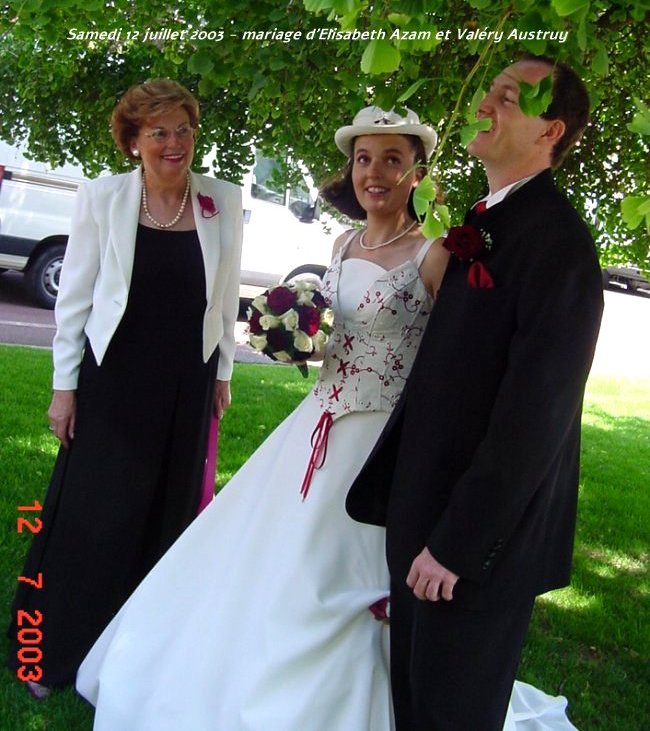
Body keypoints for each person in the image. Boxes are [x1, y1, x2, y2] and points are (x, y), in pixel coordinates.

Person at [76, 105, 581, 731]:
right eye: (364, 159)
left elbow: (451, 356)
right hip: (316, 422)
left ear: (418, 173)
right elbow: (340, 332)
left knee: (332, 572)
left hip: (379, 437)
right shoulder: (344, 243)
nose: (374, 173)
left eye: (392, 160)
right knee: (261, 558)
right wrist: (295, 337)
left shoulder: (434, 254)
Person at [346, 56, 604, 730]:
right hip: (424, 514)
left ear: (550, 130)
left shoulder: (559, 243)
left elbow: (537, 416)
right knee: (413, 706)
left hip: (473, 547)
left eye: (507, 97)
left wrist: (457, 545)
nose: (483, 104)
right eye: (487, 90)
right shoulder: (487, 222)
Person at [7, 78, 243, 697]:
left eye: (184, 129)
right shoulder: (104, 198)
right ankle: (51, 655)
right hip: (114, 382)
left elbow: (225, 297)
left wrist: (222, 373)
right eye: (159, 131)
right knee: (93, 517)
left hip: (187, 383)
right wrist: (64, 388)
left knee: (166, 519)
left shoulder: (221, 200)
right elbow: (75, 301)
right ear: (133, 140)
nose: (175, 143)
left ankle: (135, 659)